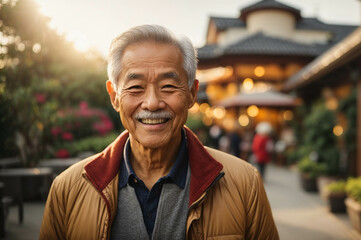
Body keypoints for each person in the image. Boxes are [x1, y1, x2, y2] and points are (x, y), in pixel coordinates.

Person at [39, 25, 279, 240]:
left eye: (168, 86)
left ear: (192, 93)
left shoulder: (244, 183)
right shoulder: (68, 189)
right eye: (135, 87)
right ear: (114, 97)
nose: (152, 103)